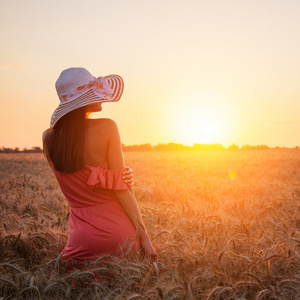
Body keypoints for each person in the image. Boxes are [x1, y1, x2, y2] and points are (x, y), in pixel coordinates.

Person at [43, 67, 157, 270]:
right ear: (84, 99)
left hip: (80, 238)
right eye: (96, 93)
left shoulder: (48, 138)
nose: (102, 97)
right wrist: (145, 239)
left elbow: (77, 181)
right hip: (119, 235)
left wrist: (114, 176)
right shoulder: (107, 127)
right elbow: (121, 189)